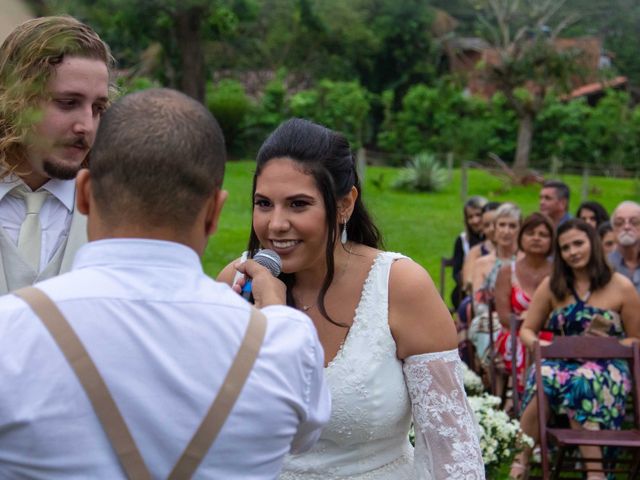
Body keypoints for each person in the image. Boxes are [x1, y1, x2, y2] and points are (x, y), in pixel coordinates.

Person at [0, 89, 330, 478]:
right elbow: (303, 438)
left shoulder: (10, 331)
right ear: (214, 211)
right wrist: (275, 314)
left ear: (85, 194)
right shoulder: (283, 343)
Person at [218, 118, 484, 479]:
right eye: (264, 204)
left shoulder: (399, 286)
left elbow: (452, 451)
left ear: (345, 204)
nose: (275, 224)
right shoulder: (235, 284)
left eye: (298, 204)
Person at [510, 219, 640, 479]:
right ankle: (520, 461)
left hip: (607, 366)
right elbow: (526, 329)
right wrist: (542, 346)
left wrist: (604, 347)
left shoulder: (621, 286)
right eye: (566, 248)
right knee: (544, 375)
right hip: (561, 361)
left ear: (592, 243)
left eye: (578, 243)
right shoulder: (552, 286)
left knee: (583, 378)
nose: (573, 252)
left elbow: (636, 338)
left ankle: (595, 473)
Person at [0, 16, 113, 294]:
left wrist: (228, 278)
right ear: (15, 102)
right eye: (67, 103)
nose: (86, 126)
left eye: (98, 108)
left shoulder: (117, 214)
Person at [494, 212, 553, 397]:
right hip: (513, 332)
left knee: (549, 342)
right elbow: (504, 318)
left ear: (552, 241)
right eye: (531, 233)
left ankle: (543, 396)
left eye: (543, 235)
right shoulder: (506, 272)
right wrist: (528, 321)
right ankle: (523, 396)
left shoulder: (559, 273)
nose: (536, 238)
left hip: (549, 332)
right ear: (521, 238)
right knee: (520, 343)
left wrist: (534, 319)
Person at [468, 203, 521, 367]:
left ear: (520, 230)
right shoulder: (482, 263)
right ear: (494, 229)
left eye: (512, 226)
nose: (506, 231)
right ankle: (495, 373)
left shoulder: (525, 262)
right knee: (487, 325)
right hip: (489, 317)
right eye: (502, 225)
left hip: (521, 320)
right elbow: (478, 304)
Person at [451, 195, 487, 309]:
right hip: (467, 291)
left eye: (478, 215)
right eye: (470, 217)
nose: (475, 221)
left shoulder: (495, 240)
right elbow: (456, 272)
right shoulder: (462, 240)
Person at [607, 201, 640, 294]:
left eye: (634, 222)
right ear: (613, 230)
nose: (626, 227)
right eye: (619, 223)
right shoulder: (604, 265)